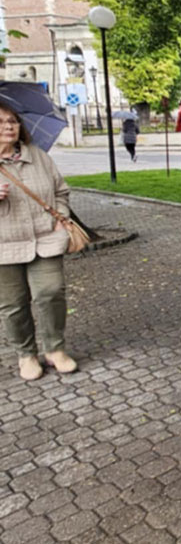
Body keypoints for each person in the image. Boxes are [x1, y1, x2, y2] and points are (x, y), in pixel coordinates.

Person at [0, 99, 78, 380]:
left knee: (51, 293)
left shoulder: (39, 156)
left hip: (45, 240)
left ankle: (55, 350)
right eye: (1, 122)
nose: (9, 126)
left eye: (12, 121)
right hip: (4, 247)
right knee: (13, 305)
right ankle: (26, 354)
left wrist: (61, 219)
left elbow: (61, 192)